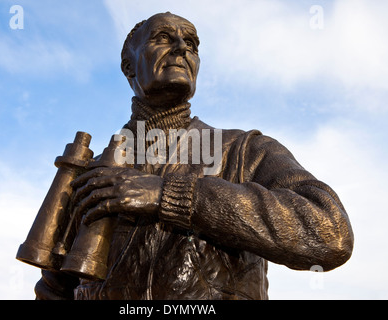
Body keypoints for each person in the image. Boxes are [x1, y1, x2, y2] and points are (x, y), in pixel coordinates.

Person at [35, 12, 353, 300]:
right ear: (129, 66)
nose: (181, 48)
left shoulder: (244, 151)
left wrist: (171, 196)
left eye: (191, 43)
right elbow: (54, 291)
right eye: (162, 37)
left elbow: (331, 233)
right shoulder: (92, 173)